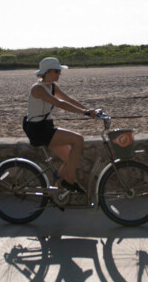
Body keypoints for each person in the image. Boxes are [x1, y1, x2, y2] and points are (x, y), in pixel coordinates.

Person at [23, 57, 97, 193]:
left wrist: (89, 110)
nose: (59, 74)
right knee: (78, 139)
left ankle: (58, 194)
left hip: (47, 127)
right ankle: (69, 182)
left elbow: (68, 99)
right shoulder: (38, 89)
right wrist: (84, 113)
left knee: (70, 160)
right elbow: (59, 103)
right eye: (57, 71)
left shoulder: (52, 86)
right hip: (38, 130)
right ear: (48, 72)